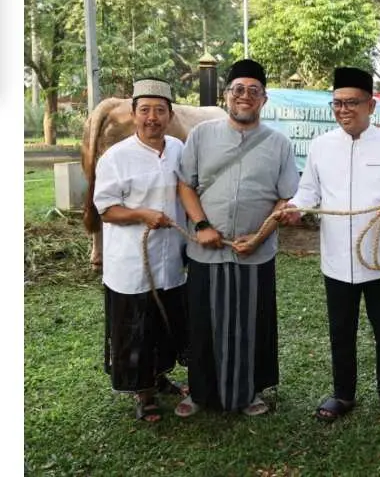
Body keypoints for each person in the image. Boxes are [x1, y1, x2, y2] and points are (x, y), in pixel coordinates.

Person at [279, 67, 380, 426]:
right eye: (337, 103)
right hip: (338, 260)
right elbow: (308, 191)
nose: (343, 110)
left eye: (352, 103)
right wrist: (295, 208)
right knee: (341, 329)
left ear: (371, 106)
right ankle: (343, 393)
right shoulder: (322, 146)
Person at [174, 59, 300, 417]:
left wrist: (260, 236)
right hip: (206, 250)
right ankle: (198, 392)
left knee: (252, 322)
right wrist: (201, 227)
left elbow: (285, 196)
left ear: (264, 99)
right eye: (238, 89)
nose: (245, 97)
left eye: (253, 91)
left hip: (255, 253)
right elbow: (185, 184)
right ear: (226, 95)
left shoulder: (278, 143)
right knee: (203, 321)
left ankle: (251, 392)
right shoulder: (202, 136)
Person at [93, 77, 189, 422]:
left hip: (171, 260)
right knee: (136, 328)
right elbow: (106, 208)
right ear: (134, 114)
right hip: (132, 263)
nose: (152, 117)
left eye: (159, 111)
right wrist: (141, 214)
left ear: (170, 115)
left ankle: (159, 377)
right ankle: (142, 392)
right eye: (145, 110)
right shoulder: (116, 158)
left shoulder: (179, 149)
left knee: (166, 324)